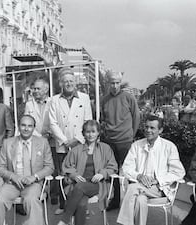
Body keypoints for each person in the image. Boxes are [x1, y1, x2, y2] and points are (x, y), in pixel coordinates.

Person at [117, 115, 185, 225]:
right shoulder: (136, 145)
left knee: (132, 187)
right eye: (146, 127)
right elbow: (126, 168)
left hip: (159, 188)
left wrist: (157, 180)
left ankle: (123, 223)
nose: (148, 130)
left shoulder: (169, 147)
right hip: (140, 186)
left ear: (160, 130)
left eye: (152, 128)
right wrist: (139, 176)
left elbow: (179, 172)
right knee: (140, 200)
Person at [0, 115, 54, 225]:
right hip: (12, 183)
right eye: (23, 125)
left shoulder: (42, 143)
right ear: (18, 126)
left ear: (34, 128)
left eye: (30, 126)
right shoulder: (8, 143)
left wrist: (34, 177)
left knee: (31, 200)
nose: (26, 128)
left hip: (33, 183)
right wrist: (13, 176)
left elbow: (50, 167)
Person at [49, 67, 93, 214]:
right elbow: (52, 123)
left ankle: (81, 205)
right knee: (63, 174)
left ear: (75, 83)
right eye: (65, 81)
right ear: (61, 83)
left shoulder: (84, 98)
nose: (68, 84)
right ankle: (63, 205)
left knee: (81, 174)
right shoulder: (54, 100)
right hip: (62, 144)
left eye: (71, 81)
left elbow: (88, 121)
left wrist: (78, 139)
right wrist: (64, 140)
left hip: (80, 143)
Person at [57, 120, 118, 225]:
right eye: (87, 132)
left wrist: (102, 174)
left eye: (93, 131)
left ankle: (65, 220)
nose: (90, 135)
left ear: (98, 133)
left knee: (80, 187)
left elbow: (113, 166)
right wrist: (74, 175)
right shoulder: (76, 150)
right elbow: (67, 166)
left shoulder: (105, 148)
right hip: (79, 184)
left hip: (97, 184)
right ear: (83, 134)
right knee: (81, 204)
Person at [101, 71, 140, 210]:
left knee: (129, 172)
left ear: (120, 83)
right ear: (108, 83)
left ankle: (132, 201)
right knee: (113, 173)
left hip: (125, 141)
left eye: (117, 83)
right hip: (110, 141)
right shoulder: (104, 99)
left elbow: (136, 117)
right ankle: (116, 200)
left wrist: (131, 135)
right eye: (112, 83)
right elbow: (102, 119)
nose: (115, 85)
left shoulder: (129, 97)